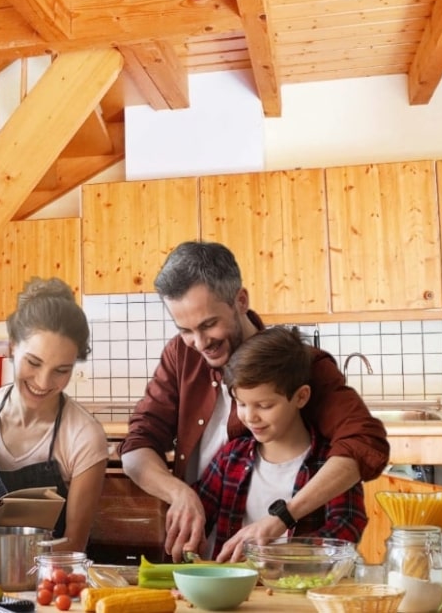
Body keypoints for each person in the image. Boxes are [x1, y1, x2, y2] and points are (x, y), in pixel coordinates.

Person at [120, 241, 389, 562]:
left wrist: (283, 518)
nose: (200, 343)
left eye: (208, 325)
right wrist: (179, 493)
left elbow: (364, 443)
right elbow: (137, 446)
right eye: (185, 330)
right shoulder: (181, 354)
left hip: (288, 566)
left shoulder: (301, 365)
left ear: (241, 300)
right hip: (209, 558)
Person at [0, 277, 108, 553]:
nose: (43, 381)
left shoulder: (84, 436)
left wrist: (14, 567)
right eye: (34, 362)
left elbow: (74, 545)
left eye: (61, 370)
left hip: (50, 583)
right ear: (13, 346)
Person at [195, 327, 367, 559]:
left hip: (302, 590)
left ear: (301, 397)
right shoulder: (230, 457)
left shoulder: (330, 463)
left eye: (264, 406)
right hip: (233, 591)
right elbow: (199, 515)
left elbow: (346, 527)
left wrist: (276, 553)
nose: (250, 417)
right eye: (242, 404)